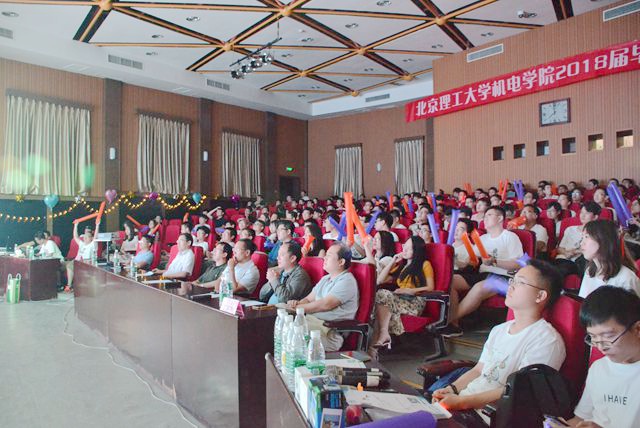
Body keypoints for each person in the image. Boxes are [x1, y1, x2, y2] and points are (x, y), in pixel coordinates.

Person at [431, 260, 566, 413]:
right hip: (464, 404)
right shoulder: (499, 330)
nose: (511, 286)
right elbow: (478, 370)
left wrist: (462, 402)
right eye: (512, 280)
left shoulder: (546, 340)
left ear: (540, 295)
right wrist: (451, 390)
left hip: (491, 415)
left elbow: (521, 391)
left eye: (520, 282)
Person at [568, 286, 640, 428]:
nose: (601, 347)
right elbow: (580, 418)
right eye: (593, 337)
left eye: (608, 336)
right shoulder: (598, 368)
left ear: (637, 329)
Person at [446, 206, 524, 337]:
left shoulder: (510, 237)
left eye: (489, 215)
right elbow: (471, 261)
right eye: (485, 216)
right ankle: (454, 325)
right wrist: (456, 260)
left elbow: (519, 264)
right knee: (451, 281)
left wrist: (495, 262)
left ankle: (447, 322)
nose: (485, 218)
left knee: (479, 287)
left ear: (500, 218)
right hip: (483, 274)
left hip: (504, 278)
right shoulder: (482, 239)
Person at [287, 242, 359, 352]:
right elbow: (308, 299)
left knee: (290, 333)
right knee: (279, 322)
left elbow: (325, 305)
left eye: (329, 255)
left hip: (329, 332)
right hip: (312, 323)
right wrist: (296, 304)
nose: (324, 258)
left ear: (341, 262)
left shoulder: (347, 281)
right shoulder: (326, 278)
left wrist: (298, 309)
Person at [370, 237, 435, 351]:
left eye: (409, 248)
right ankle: (376, 347)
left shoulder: (424, 264)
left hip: (414, 301)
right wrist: (393, 260)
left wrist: (410, 290)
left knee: (381, 295)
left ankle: (379, 340)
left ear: (417, 250)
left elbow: (430, 287)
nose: (404, 250)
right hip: (399, 300)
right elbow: (379, 280)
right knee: (377, 307)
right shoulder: (402, 266)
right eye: (404, 246)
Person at [579, 220, 640, 298]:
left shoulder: (626, 278)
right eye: (582, 237)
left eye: (586, 237)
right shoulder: (590, 271)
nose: (581, 243)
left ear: (604, 240)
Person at [555, 202, 601, 276]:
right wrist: (566, 253)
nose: (582, 215)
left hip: (581, 261)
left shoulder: (597, 233)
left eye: (587, 213)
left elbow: (595, 251)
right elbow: (560, 248)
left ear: (595, 217)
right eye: (581, 212)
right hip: (564, 259)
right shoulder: (570, 229)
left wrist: (575, 252)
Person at [65, 223, 98, 291]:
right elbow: (75, 236)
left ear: (91, 238)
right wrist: (75, 225)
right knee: (69, 265)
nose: (84, 238)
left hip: (86, 262)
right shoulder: (82, 244)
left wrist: (97, 225)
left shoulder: (92, 245)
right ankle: (69, 285)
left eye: (87, 237)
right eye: (84, 237)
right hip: (78, 261)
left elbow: (96, 236)